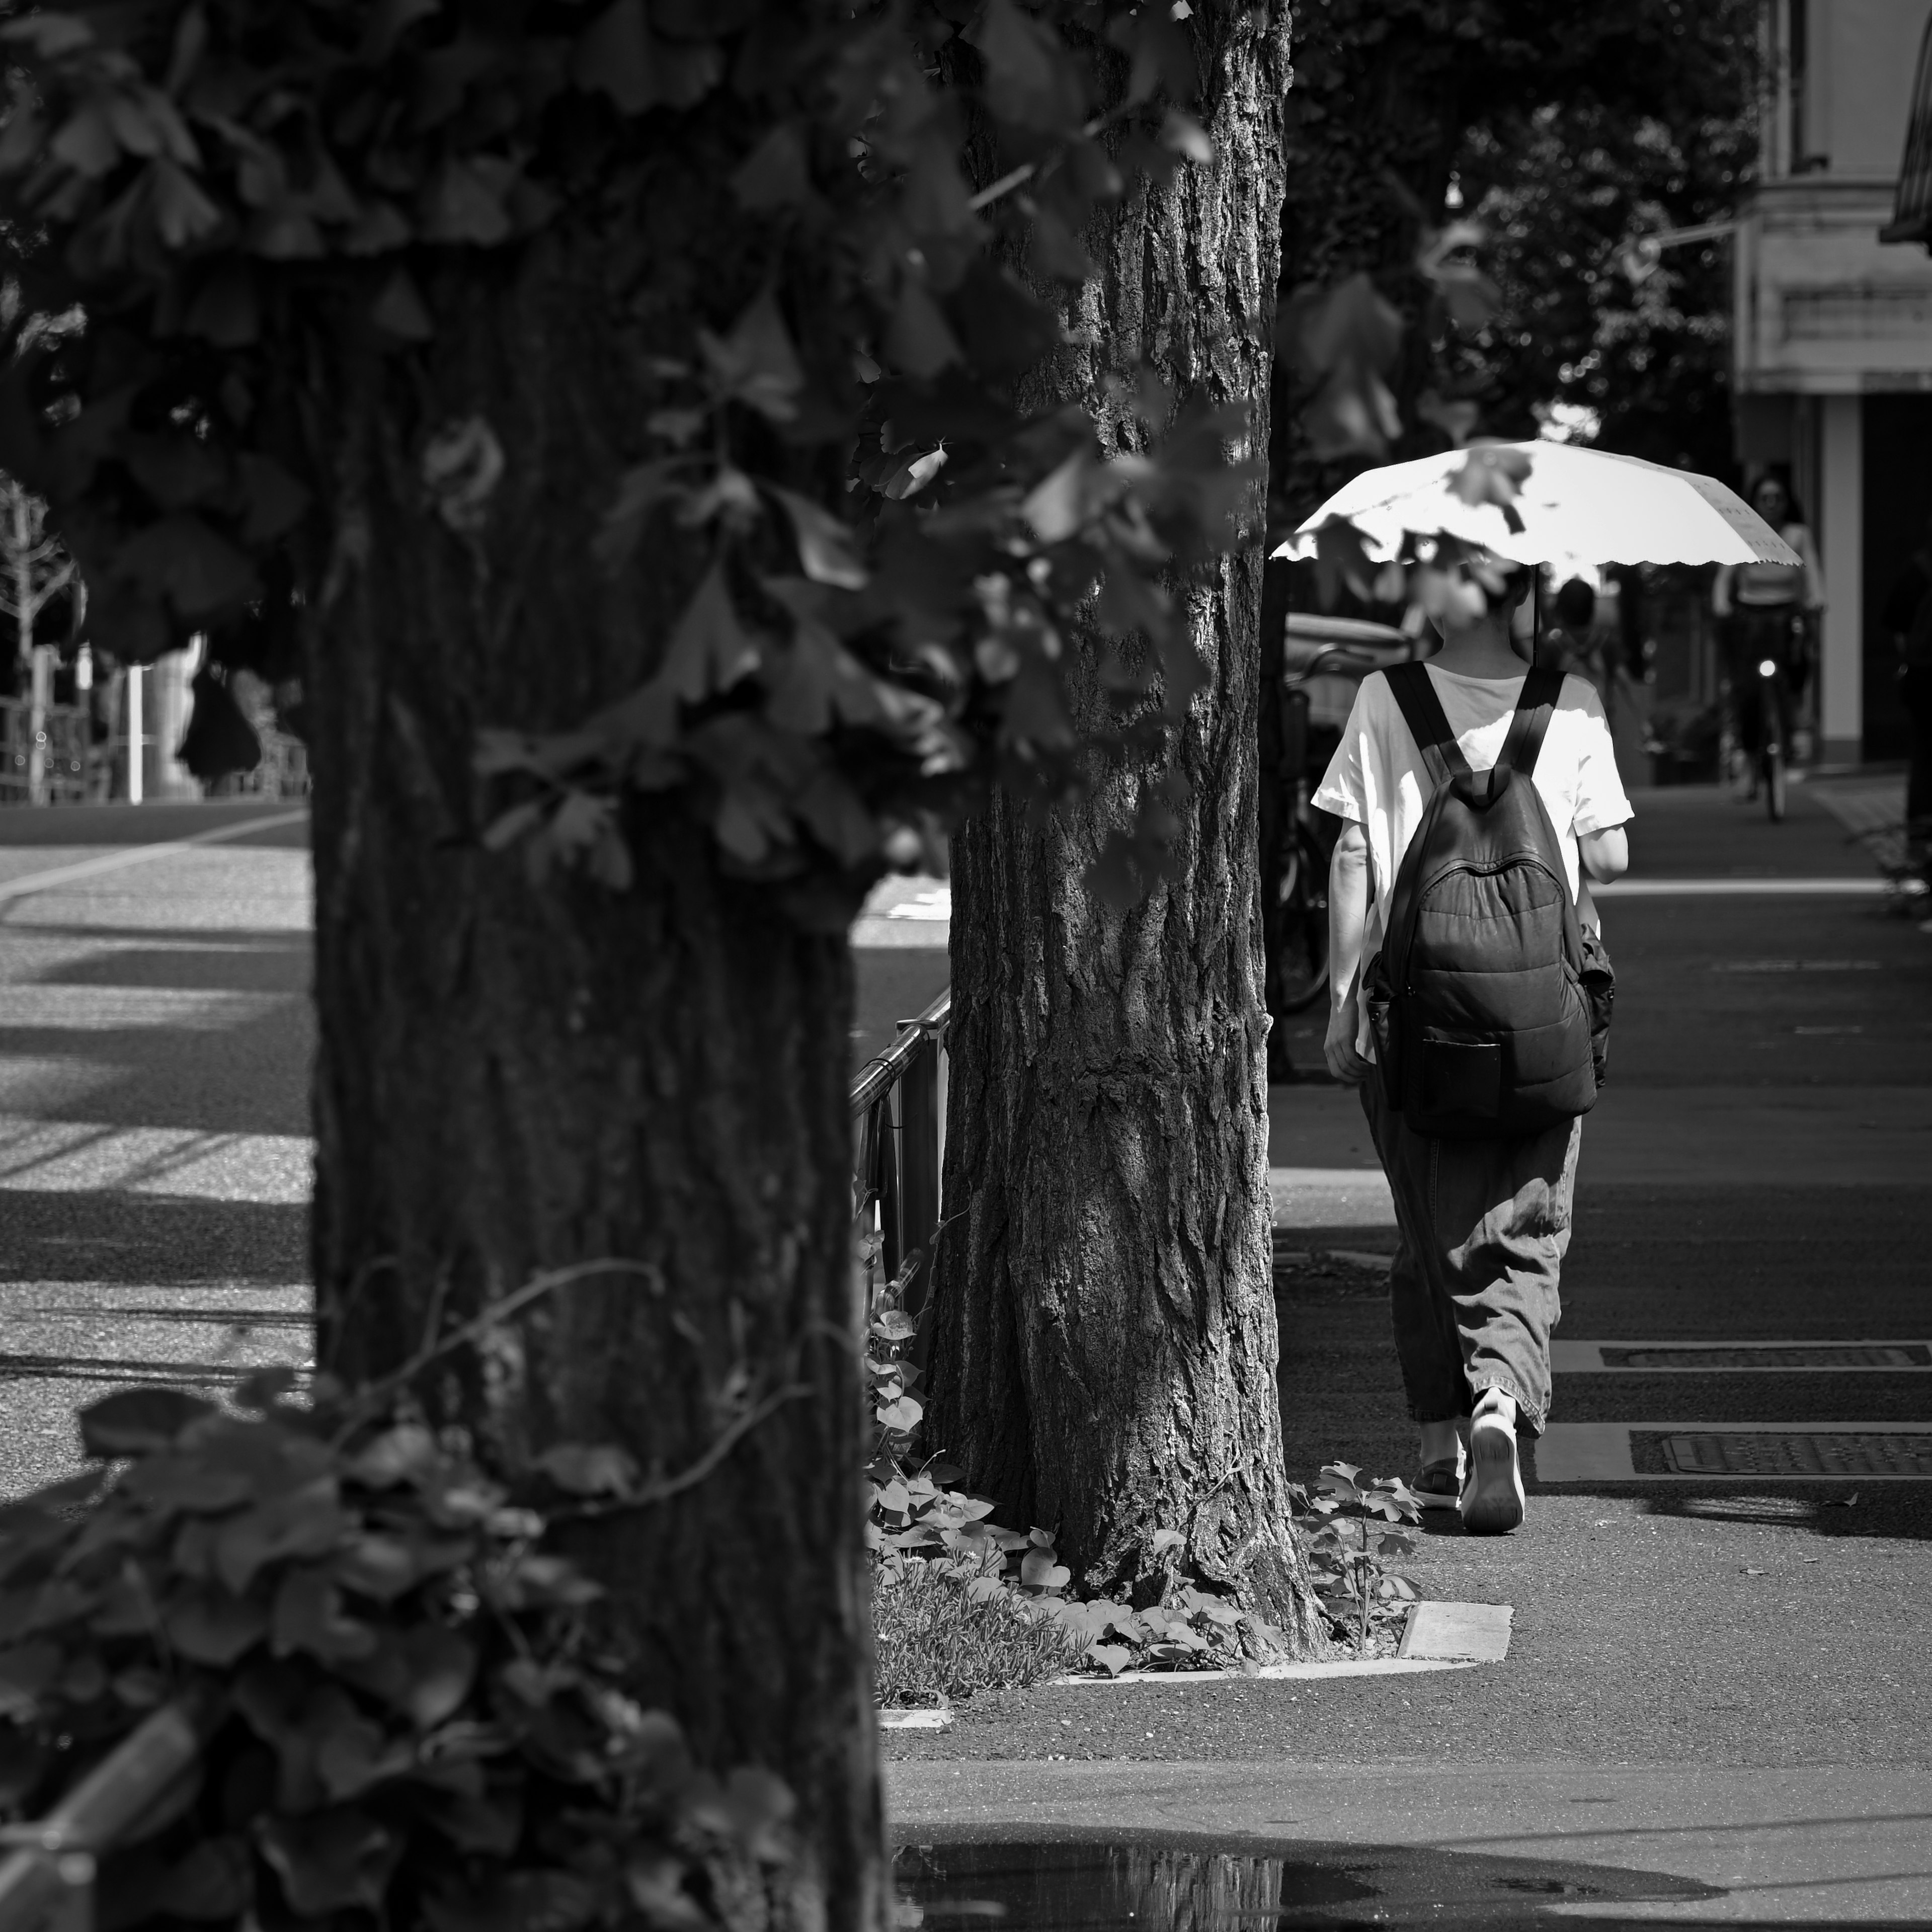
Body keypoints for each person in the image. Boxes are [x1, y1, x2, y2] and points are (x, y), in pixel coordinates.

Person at [1313, 565, 1633, 1534]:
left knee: (1425, 1226)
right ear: (1522, 597)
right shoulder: (1570, 705)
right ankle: (1501, 1392)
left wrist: (1338, 1003)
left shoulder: (1384, 697)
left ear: (1443, 597)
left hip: (1411, 1016)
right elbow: (1610, 857)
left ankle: (1440, 1444)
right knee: (1528, 1222)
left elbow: (1353, 853)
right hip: (1543, 1017)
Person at [1712, 475, 1824, 791]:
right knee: (1747, 690)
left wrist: (1818, 598)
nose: (1772, 504)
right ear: (1755, 503)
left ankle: (1791, 729)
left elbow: (1813, 570)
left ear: (1787, 502)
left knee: (1796, 669)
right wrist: (1721, 603)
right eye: (1765, 498)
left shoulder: (1799, 535)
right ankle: (1748, 757)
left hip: (1787, 613)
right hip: (1751, 616)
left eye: (1778, 497)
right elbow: (1724, 577)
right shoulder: (1743, 533)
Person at [1881, 509, 1932, 868]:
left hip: (1923, 676)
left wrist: (1910, 657)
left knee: (1924, 755)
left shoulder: (1917, 571)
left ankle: (1918, 840)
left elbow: (1895, 623)